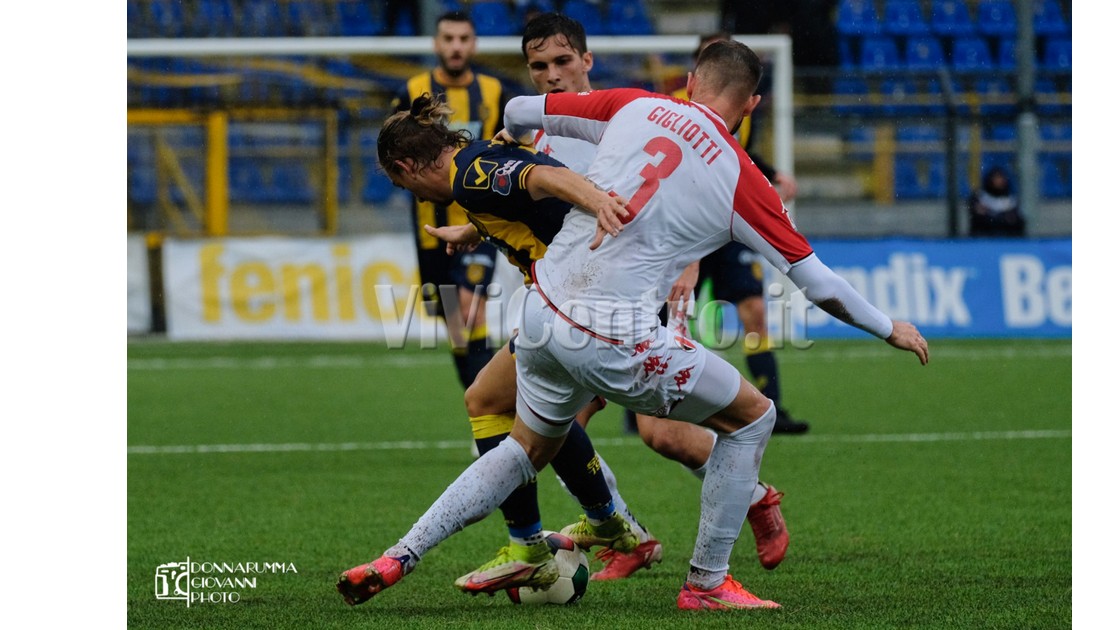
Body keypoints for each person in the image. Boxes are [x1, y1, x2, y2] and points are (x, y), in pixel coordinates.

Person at [337, 40, 928, 611]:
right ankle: (705, 582)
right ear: (751, 106)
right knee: (753, 418)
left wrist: (511, 143)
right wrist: (888, 327)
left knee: (524, 448)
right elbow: (819, 284)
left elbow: (518, 110)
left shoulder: (635, 104)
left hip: (542, 310)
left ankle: (401, 555)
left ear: (690, 83)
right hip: (613, 330)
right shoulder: (743, 178)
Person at [519, 12, 792, 579]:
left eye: (562, 62)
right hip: (583, 304)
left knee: (661, 434)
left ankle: (749, 498)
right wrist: (473, 228)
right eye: (539, 66)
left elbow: (683, 198)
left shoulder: (626, 118)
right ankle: (625, 531)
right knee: (550, 426)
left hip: (646, 293)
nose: (551, 75)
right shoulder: (545, 132)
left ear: (587, 62)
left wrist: (689, 266)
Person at [358, 93, 646, 598]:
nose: (416, 197)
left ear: (406, 167)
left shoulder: (471, 174)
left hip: (581, 302)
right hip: (589, 296)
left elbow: (543, 178)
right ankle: (602, 524)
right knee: (503, 403)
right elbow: (526, 200)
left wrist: (599, 201)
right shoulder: (476, 166)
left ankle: (533, 544)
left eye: (403, 185)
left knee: (496, 406)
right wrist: (477, 229)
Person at [656, 31, 810, 437]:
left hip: (724, 228)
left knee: (754, 311)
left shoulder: (742, 106)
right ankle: (645, 409)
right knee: (668, 313)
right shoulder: (671, 104)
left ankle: (771, 405)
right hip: (683, 230)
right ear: (698, 69)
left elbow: (735, 155)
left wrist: (772, 174)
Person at [390, 10, 516, 396]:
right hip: (429, 227)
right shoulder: (412, 91)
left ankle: (495, 403)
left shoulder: (495, 92)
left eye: (463, 39)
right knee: (455, 322)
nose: (456, 46)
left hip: (479, 222)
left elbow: (512, 150)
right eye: (449, 39)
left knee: (468, 308)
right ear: (436, 44)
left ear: (473, 44)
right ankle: (485, 403)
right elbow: (392, 154)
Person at [968, 166, 1026, 237]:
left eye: (1001, 178)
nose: (999, 181)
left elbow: (1017, 223)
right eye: (996, 178)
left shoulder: (1011, 200)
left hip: (1006, 238)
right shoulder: (979, 197)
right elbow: (976, 220)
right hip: (983, 238)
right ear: (990, 180)